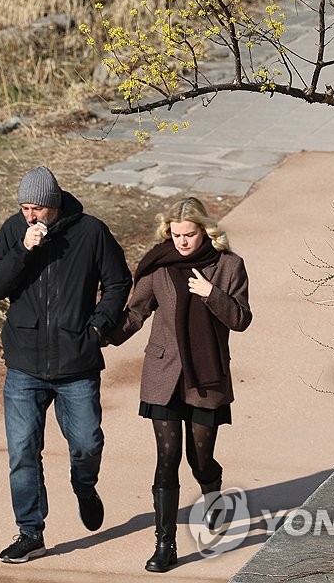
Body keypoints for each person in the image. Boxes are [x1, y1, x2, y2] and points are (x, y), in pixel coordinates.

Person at [0, 165, 131, 564]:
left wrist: (98, 328)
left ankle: (84, 486)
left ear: (54, 203)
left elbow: (118, 282)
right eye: (24, 207)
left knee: (86, 443)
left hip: (76, 362)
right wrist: (22, 250)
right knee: (23, 452)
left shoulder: (91, 232)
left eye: (36, 208)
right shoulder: (15, 232)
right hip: (24, 365)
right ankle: (31, 532)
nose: (29, 215)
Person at [108, 196, 252, 573]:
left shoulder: (229, 266)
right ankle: (165, 543)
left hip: (206, 375)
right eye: (175, 235)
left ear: (206, 231)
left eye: (189, 235)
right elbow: (137, 311)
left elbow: (240, 319)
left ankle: (211, 488)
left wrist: (211, 294)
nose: (182, 242)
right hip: (164, 374)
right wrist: (100, 334)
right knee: (167, 458)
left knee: (199, 458)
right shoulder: (160, 265)